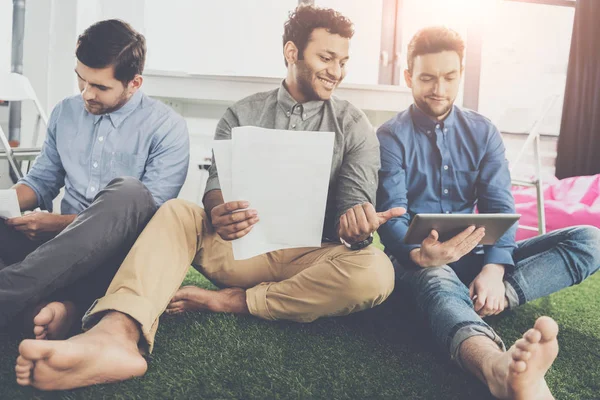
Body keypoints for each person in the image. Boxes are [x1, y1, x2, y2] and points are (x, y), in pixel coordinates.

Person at [14, 5, 404, 390]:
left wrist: (356, 226)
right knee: (176, 212)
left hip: (315, 259)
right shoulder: (241, 113)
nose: (336, 70)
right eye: (326, 57)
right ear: (292, 53)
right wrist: (218, 210)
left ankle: (235, 302)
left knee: (376, 271)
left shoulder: (355, 125)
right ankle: (115, 334)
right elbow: (214, 187)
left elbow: (355, 203)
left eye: (343, 61)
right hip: (243, 250)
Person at [376, 26, 600, 399]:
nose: (439, 88)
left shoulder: (483, 131)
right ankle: (494, 367)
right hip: (419, 261)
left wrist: (495, 272)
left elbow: (499, 207)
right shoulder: (390, 137)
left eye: (449, 77)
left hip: (477, 255)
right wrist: (420, 254)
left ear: (460, 74)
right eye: (428, 78)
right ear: (408, 77)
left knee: (590, 239)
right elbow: (393, 219)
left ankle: (487, 297)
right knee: (435, 277)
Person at [1, 19, 189, 340]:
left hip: (117, 257)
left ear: (134, 83)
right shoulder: (65, 113)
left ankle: (19, 295)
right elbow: (41, 182)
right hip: (53, 251)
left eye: (100, 87)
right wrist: (6, 202)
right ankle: (60, 310)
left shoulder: (167, 128)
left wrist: (57, 223)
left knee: (130, 192)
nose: (87, 94)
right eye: (81, 79)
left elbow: (146, 221)